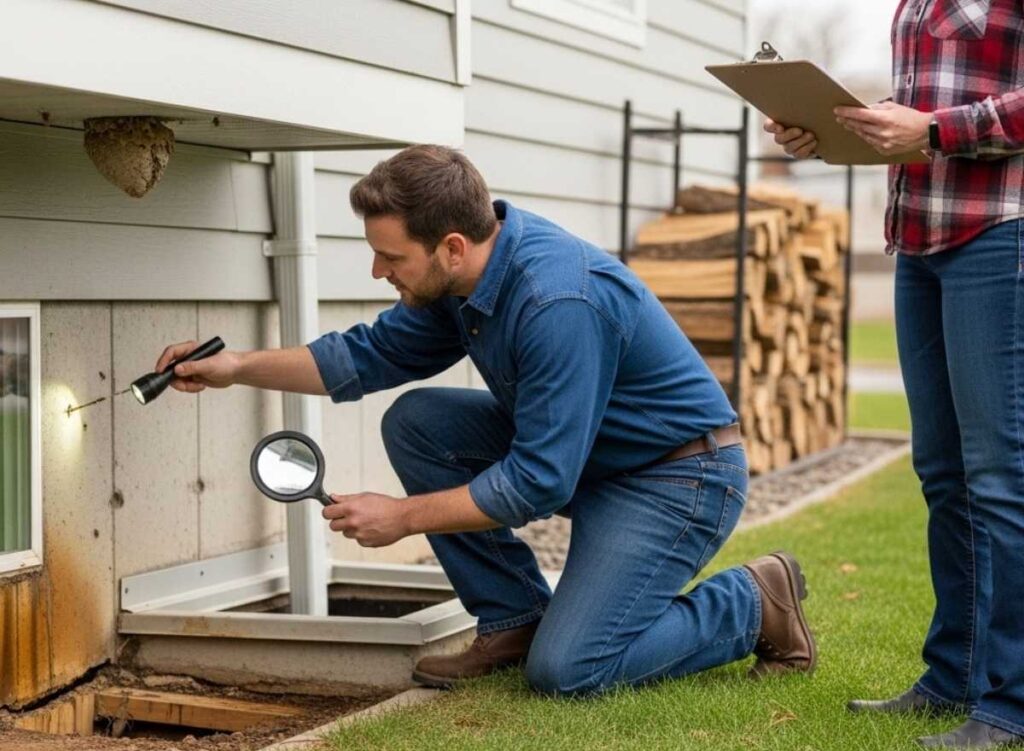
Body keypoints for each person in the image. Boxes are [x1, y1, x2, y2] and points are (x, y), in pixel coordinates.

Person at [156, 145, 815, 696]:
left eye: (391, 257)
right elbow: (366, 355)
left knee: (571, 670)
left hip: (674, 476)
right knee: (418, 422)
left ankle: (753, 601)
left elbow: (538, 483)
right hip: (595, 457)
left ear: (449, 246)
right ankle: (515, 618)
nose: (377, 270)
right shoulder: (468, 275)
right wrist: (236, 365)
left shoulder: (558, 301)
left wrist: (403, 516)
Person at [766, 0, 1024, 751]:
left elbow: (945, 122)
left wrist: (937, 130)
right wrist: (835, 132)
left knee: (1001, 477)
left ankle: (1011, 703)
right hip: (918, 239)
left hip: (998, 235)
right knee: (944, 474)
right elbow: (919, 120)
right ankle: (954, 676)